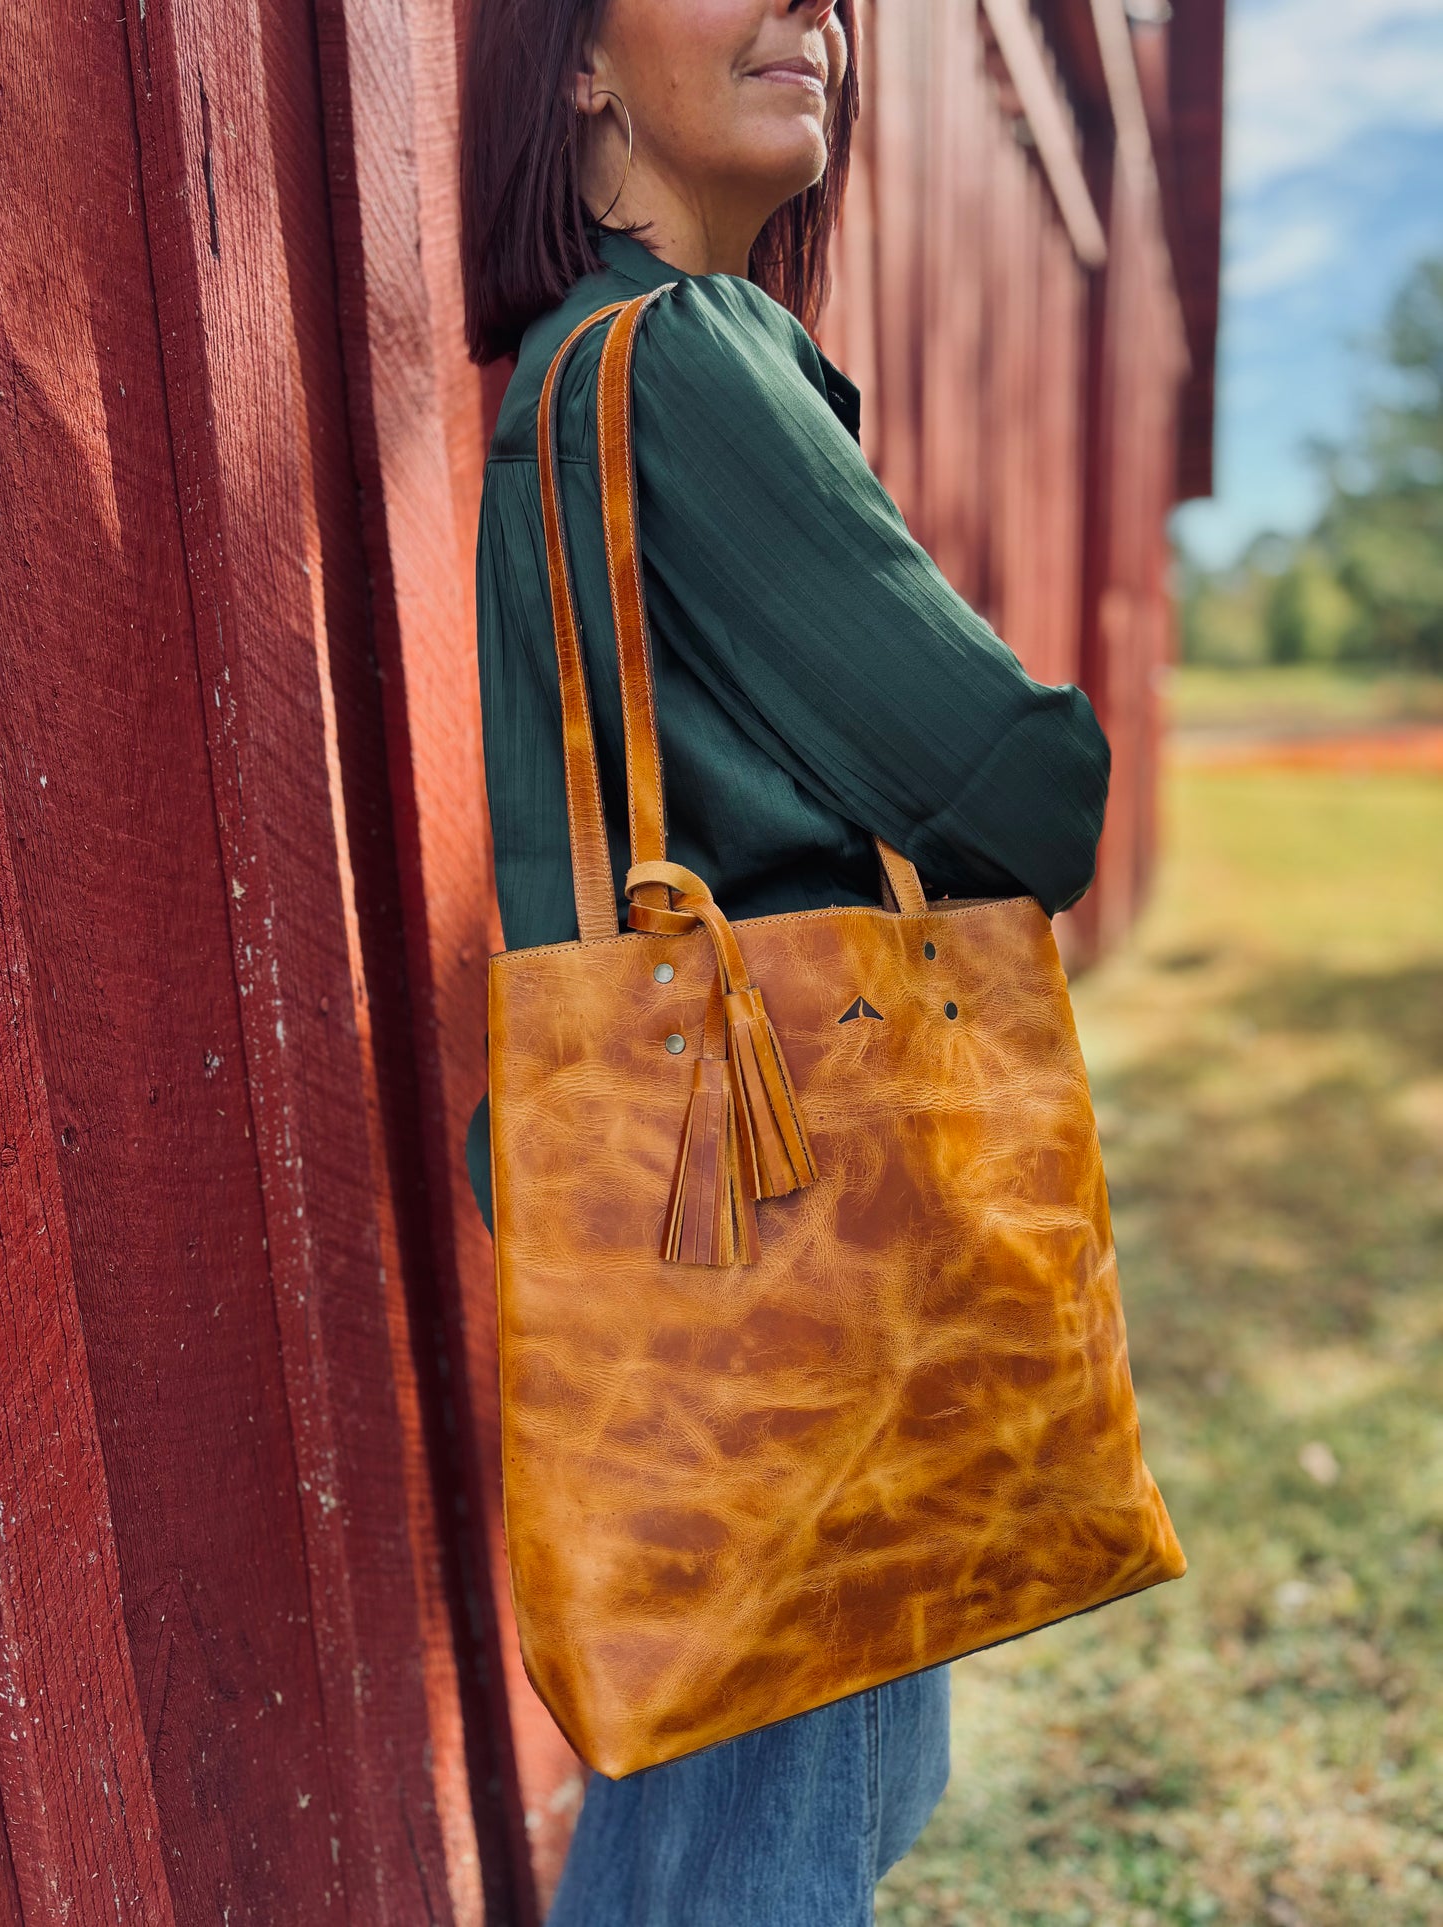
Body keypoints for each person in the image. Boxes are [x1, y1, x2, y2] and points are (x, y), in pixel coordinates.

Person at [458, 3, 1110, 1921]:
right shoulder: (677, 360)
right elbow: (1016, 791)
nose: (806, 15)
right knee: (756, 1850)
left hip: (710, 1201)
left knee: (769, 1791)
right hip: (771, 1230)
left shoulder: (603, 364)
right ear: (576, 65)